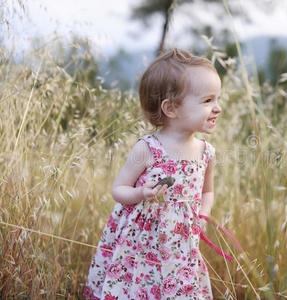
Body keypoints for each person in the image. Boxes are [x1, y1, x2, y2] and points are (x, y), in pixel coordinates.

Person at [83, 48, 222, 299]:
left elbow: (207, 191)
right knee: (140, 289)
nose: (217, 108)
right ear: (170, 108)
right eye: (207, 101)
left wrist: (203, 214)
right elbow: (118, 189)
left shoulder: (205, 152)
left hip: (181, 245)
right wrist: (141, 192)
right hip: (140, 244)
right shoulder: (148, 149)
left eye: (217, 99)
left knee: (179, 290)